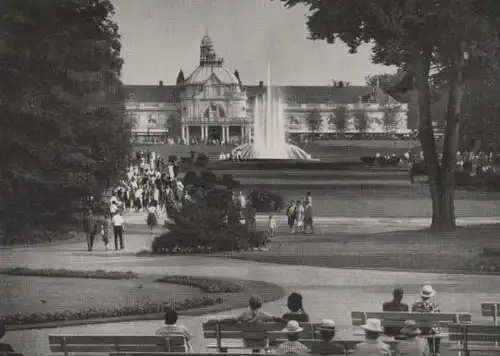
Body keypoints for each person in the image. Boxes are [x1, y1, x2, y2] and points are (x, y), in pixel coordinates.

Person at [412, 285, 441, 356]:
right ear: (430, 296)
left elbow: (413, 319)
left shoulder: (415, 306)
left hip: (420, 330)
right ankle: (436, 352)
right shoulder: (435, 305)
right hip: (432, 331)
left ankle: (429, 351)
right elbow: (438, 319)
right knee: (436, 328)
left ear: (421, 296)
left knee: (428, 327)